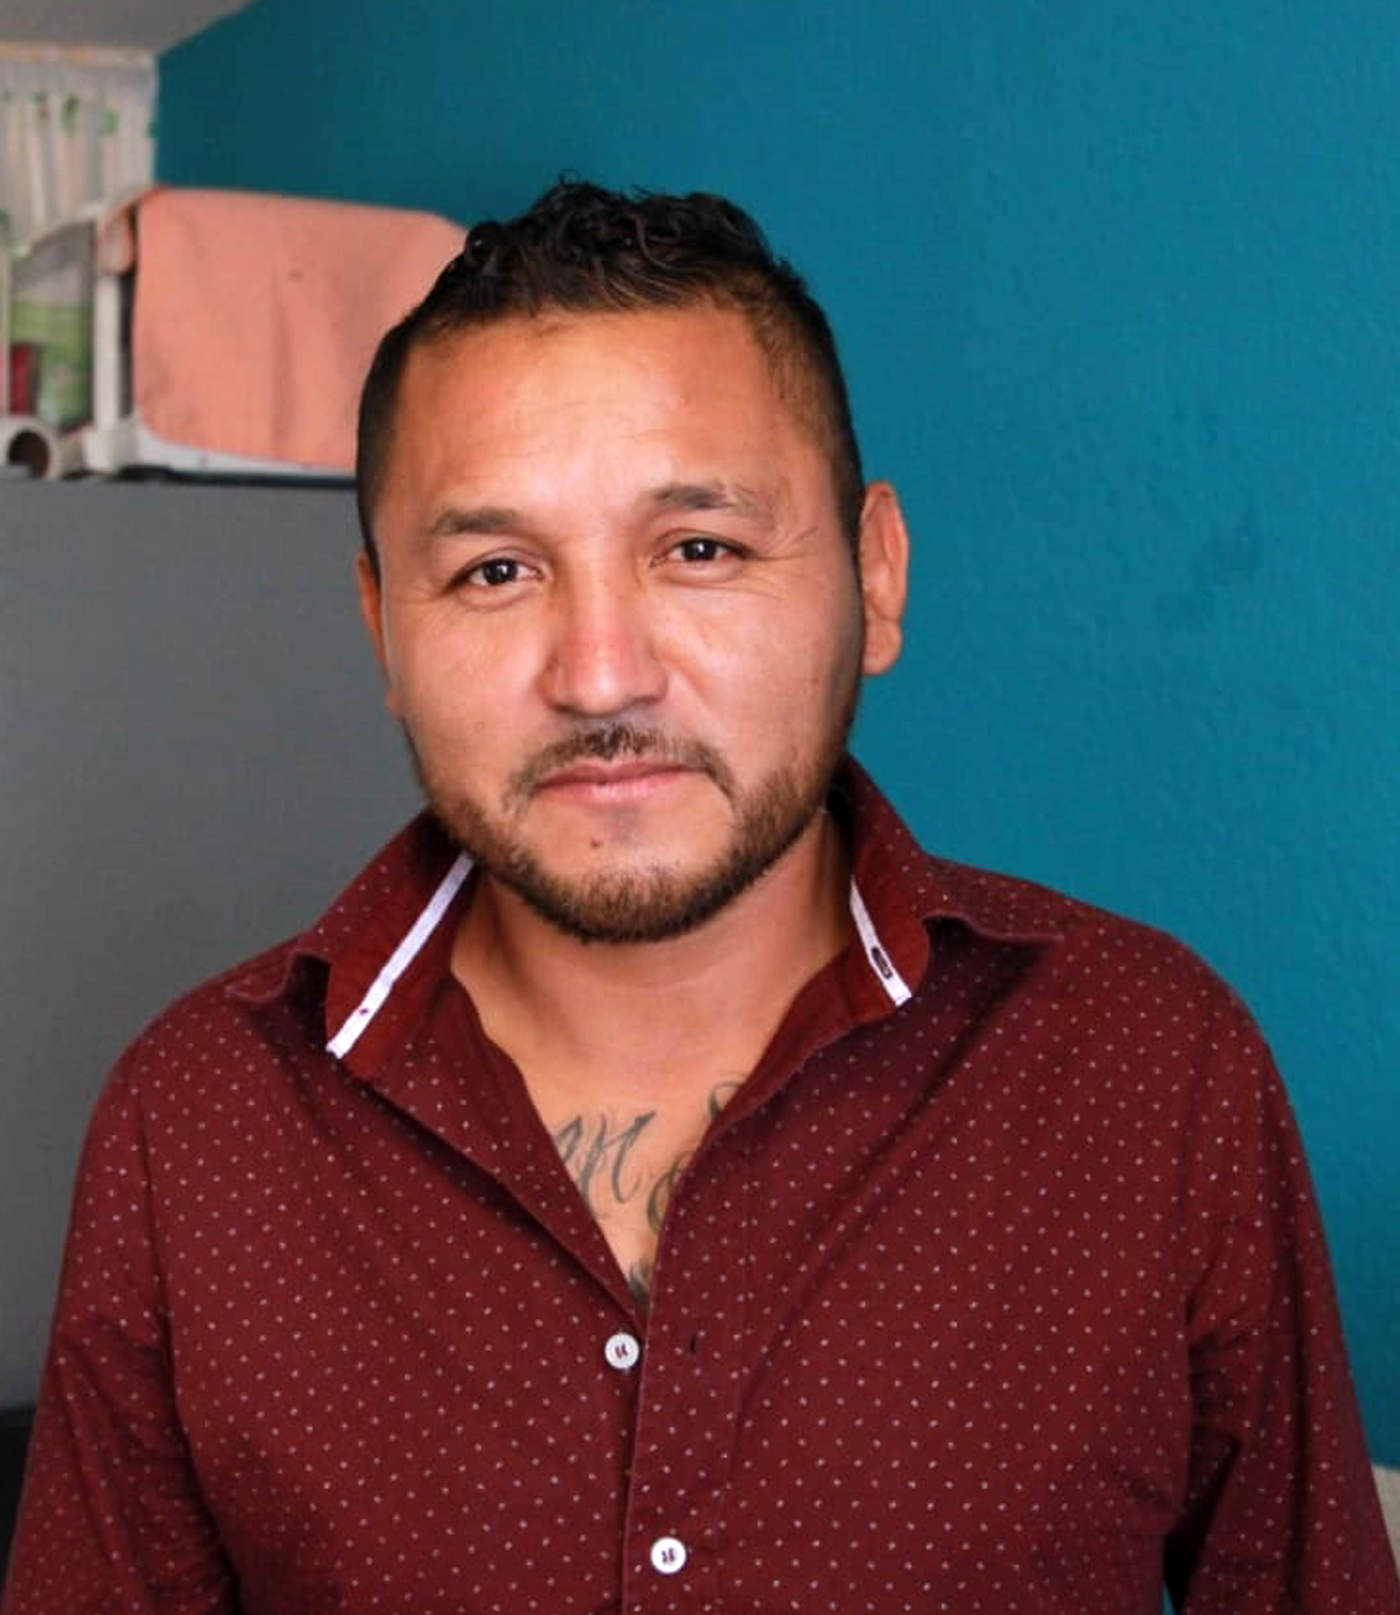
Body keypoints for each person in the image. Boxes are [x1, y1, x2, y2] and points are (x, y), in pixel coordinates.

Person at [3, 181, 1397, 1615]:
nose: (601, 675)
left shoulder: (1151, 1069)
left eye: (700, 550)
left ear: (875, 575)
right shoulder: (199, 1125)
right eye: (495, 571)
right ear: (383, 633)